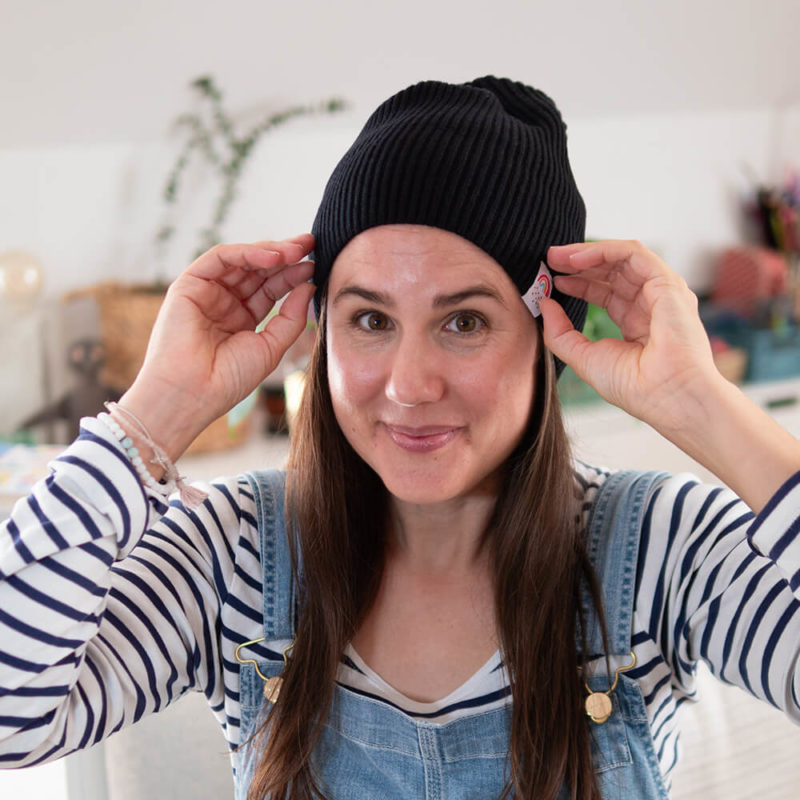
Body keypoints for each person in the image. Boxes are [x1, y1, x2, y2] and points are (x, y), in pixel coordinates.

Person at [1, 76, 799, 800]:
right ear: (323, 331)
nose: (409, 385)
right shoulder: (238, 553)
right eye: (371, 319)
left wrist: (702, 404)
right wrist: (157, 412)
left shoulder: (656, 549)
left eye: (464, 321)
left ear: (550, 336)